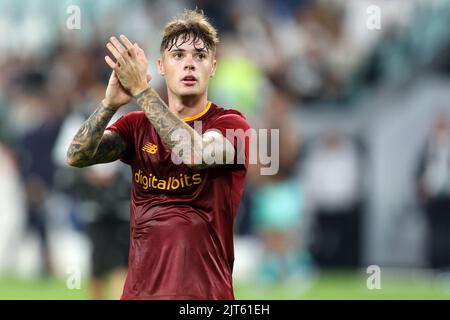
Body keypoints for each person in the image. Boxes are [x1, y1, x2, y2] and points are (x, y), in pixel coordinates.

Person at [66, 9, 250, 300]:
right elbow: (77, 156)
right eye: (178, 55)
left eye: (200, 56)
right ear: (162, 65)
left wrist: (141, 88)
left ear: (213, 67)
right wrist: (108, 104)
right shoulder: (136, 126)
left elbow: (194, 153)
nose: (189, 63)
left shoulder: (231, 125)